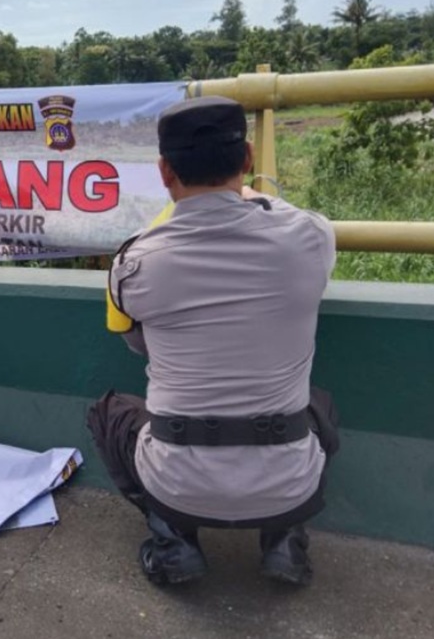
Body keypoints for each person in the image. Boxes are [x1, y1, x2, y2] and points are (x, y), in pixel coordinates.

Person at [88, 95, 339, 586]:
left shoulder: (132, 263)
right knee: (320, 406)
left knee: (108, 412)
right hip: (290, 480)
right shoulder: (308, 241)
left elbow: (138, 346)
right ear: (246, 159)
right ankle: (285, 540)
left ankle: (173, 540)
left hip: (175, 480)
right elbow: (294, 217)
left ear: (164, 172)